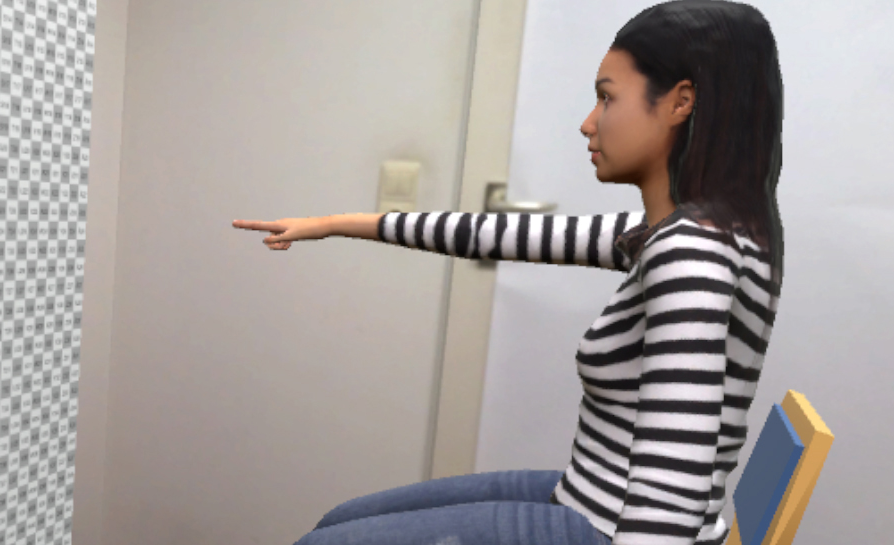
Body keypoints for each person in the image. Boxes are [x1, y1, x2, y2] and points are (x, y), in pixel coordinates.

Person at [232, 1, 785, 544]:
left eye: (607, 98)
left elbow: (672, 500)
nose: (588, 123)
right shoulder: (674, 234)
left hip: (610, 528)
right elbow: (491, 234)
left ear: (680, 102)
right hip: (590, 497)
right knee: (339, 522)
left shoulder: (693, 255)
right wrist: (335, 224)